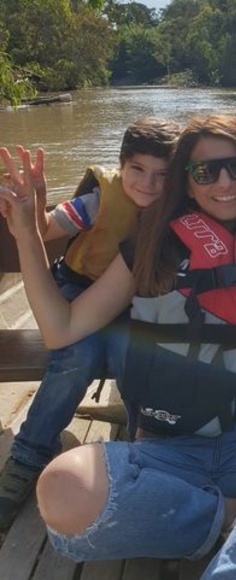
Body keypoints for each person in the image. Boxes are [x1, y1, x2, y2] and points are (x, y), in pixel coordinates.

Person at [0, 115, 236, 580]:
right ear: (186, 182)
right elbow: (61, 330)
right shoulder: (149, 249)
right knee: (63, 490)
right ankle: (232, 517)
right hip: (168, 454)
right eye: (205, 171)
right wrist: (27, 234)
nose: (224, 183)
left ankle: (230, 552)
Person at [0, 117, 181, 530]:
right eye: (137, 169)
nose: (148, 184)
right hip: (75, 289)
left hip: (129, 304)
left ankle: (142, 448)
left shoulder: (174, 210)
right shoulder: (99, 200)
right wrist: (35, 205)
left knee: (133, 354)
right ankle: (28, 455)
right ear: (121, 165)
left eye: (161, 175)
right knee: (77, 355)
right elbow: (47, 229)